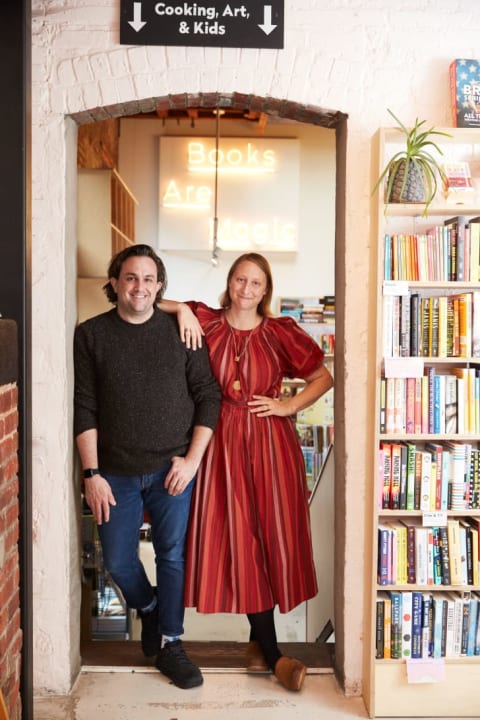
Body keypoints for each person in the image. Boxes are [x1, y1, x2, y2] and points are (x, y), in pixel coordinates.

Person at [160, 252, 334, 692]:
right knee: (238, 538)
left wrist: (287, 405)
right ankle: (269, 652)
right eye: (240, 279)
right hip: (218, 445)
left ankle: (263, 646)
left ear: (266, 289)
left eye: (256, 283)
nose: (246, 289)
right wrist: (181, 307)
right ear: (230, 282)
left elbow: (323, 377)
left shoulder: (280, 332)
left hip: (270, 446)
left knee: (269, 535)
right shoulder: (206, 322)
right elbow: (152, 300)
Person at [73, 244, 221, 690]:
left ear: (160, 287)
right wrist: (91, 475)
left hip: (171, 469)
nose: (140, 286)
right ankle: (154, 610)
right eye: (131, 277)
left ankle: (172, 644)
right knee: (118, 562)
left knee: (171, 556)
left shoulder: (183, 331)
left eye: (149, 279)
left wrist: (192, 461)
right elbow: (85, 407)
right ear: (115, 282)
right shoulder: (91, 334)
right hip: (114, 473)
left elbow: (209, 397)